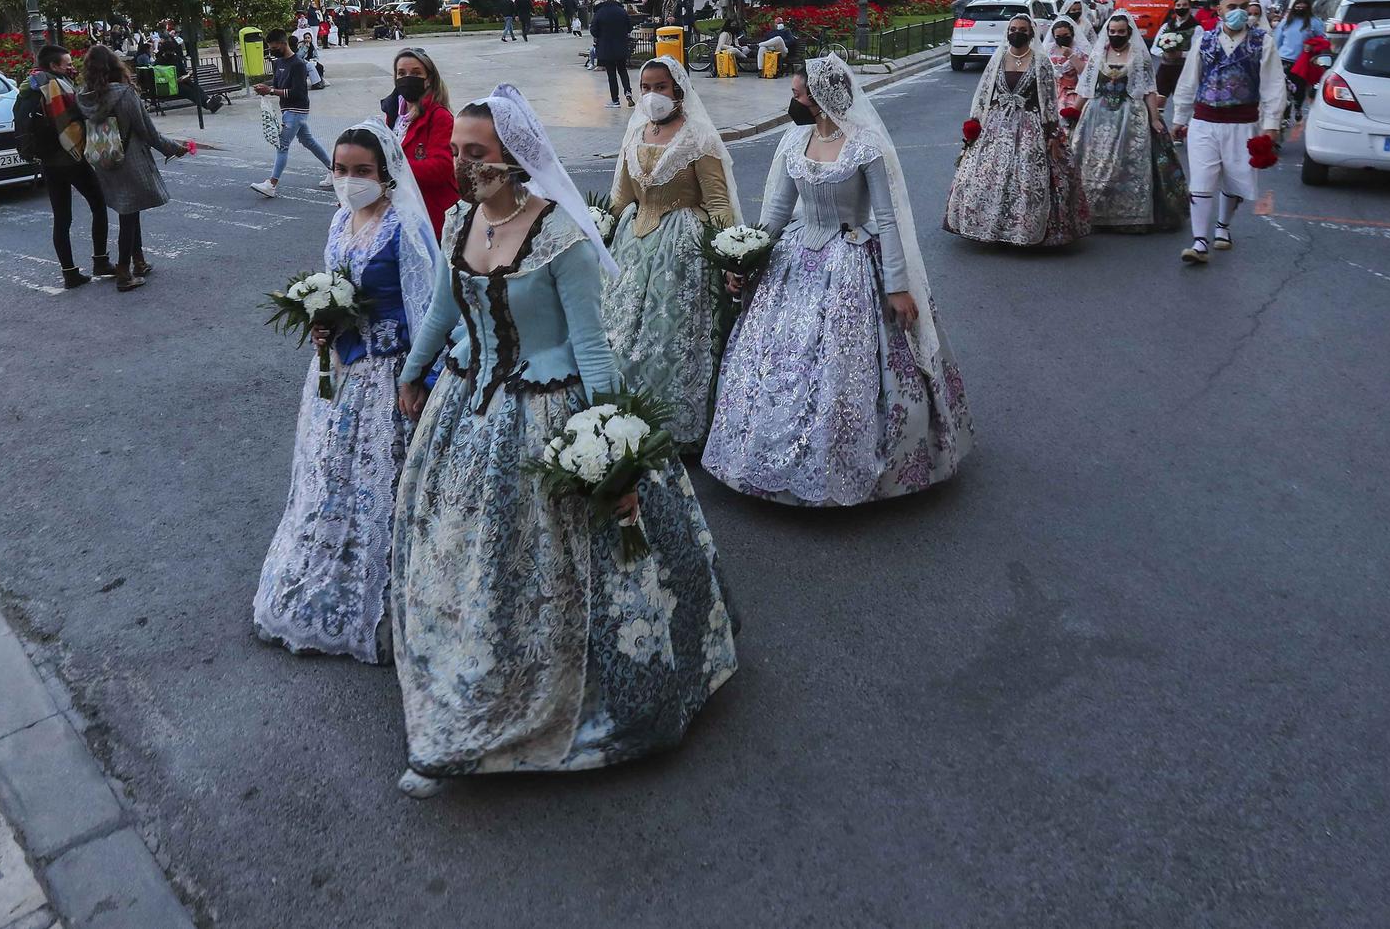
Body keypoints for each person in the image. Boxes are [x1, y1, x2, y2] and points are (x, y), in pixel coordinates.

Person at [390, 84, 737, 796]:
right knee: (469, 559)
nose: (462, 165)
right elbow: (441, 308)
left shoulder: (562, 237)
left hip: (548, 415)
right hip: (468, 403)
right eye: (457, 151)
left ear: (516, 157)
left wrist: (615, 454)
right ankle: (466, 682)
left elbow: (594, 351)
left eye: (476, 153)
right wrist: (415, 368)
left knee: (557, 571)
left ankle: (543, 702)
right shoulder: (458, 220)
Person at [705, 56, 973, 505]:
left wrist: (897, 285)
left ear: (821, 99)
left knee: (843, 365)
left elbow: (887, 220)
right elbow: (774, 214)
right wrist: (746, 259)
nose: (792, 100)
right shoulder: (794, 142)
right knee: (776, 364)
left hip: (849, 259)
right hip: (794, 257)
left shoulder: (864, 146)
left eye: (797, 94)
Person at [252, 123, 441, 663]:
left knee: (385, 479)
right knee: (334, 471)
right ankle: (330, 567)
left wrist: (419, 379)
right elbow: (335, 287)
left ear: (385, 173)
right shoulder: (339, 219)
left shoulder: (404, 227)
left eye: (362, 171)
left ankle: (386, 585)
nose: (350, 180)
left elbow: (426, 308)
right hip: (337, 371)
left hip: (388, 373)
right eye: (341, 170)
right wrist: (322, 322)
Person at [603, 59, 739, 451]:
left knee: (671, 337)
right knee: (621, 331)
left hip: (681, 251)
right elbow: (622, 196)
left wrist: (728, 254)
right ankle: (620, 422)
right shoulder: (635, 131)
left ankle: (673, 426)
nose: (652, 95)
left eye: (660, 87)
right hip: (632, 245)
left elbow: (717, 200)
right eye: (645, 86)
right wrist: (600, 229)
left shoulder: (699, 138)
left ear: (678, 90)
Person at [945, 14, 1090, 247]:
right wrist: (975, 122)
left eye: (1022, 29)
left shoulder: (1040, 62)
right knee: (987, 174)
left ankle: (1024, 226)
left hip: (1029, 125)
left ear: (1031, 33)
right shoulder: (999, 58)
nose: (1016, 33)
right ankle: (988, 223)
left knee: (1028, 176)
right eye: (1013, 29)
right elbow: (984, 94)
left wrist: (1052, 133)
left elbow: (1048, 100)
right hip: (996, 124)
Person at [1170, 0, 1286, 264]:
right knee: (1202, 179)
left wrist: (1271, 125)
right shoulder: (1204, 41)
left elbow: (1273, 85)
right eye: (1232, 7)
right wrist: (1179, 118)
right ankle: (1199, 241)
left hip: (1242, 122)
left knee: (1235, 179)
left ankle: (1223, 226)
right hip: (1204, 121)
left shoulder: (1263, 42)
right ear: (1219, 9)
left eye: (1244, 7)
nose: (1238, 12)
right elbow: (1188, 81)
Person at [75, 44, 195, 291]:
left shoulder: (84, 96)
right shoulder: (124, 94)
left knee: (129, 208)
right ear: (114, 66)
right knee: (128, 216)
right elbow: (149, 133)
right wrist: (175, 148)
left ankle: (138, 261)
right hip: (128, 160)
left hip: (104, 158)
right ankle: (123, 272)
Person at [1071, 13, 1187, 233]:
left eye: (1121, 32)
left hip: (1131, 116)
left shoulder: (1139, 57)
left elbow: (1148, 90)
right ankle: (1093, 213)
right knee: (1095, 164)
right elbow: (1086, 88)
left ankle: (1130, 215)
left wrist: (1154, 118)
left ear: (1129, 33)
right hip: (1098, 116)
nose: (1116, 35)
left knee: (1128, 165)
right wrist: (1072, 112)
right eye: (1112, 32)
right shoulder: (1098, 56)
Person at [14, 43, 112, 288]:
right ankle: (101, 260)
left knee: (62, 217)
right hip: (69, 157)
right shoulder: (56, 86)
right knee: (98, 204)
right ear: (53, 65)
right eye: (67, 63)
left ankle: (69, 273)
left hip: (47, 161)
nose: (71, 67)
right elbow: (73, 120)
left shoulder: (30, 86)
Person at [379, 47, 458, 235]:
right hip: (402, 211)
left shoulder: (439, 116)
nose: (407, 78)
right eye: (401, 73)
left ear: (428, 79)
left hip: (431, 215)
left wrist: (391, 171)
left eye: (415, 73)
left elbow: (442, 167)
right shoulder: (393, 114)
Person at [250, 28, 329, 198]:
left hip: (297, 110)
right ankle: (335, 170)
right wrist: (265, 87)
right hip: (288, 109)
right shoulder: (278, 63)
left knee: (282, 145)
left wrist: (270, 90)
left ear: (283, 44)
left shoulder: (298, 64)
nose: (271, 51)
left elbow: (298, 92)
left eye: (273, 47)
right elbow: (277, 83)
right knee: (308, 141)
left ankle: (272, 184)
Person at [1274, 0, 1323, 121]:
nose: (1300, 8)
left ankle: (1297, 108)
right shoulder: (1286, 21)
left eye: (1303, 6)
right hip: (1284, 59)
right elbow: (1277, 40)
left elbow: (1322, 41)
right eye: (1297, 6)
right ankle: (1285, 113)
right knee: (1284, 89)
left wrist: (1312, 47)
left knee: (1299, 88)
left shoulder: (1315, 22)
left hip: (1302, 61)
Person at [590, 0, 636, 108]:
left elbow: (593, 30)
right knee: (622, 70)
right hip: (621, 46)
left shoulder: (600, 12)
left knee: (611, 74)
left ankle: (615, 100)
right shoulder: (621, 11)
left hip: (607, 48)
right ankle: (628, 92)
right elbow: (630, 27)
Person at [1044, 16, 1088, 118]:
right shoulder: (1049, 49)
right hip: (1052, 92)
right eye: (1058, 36)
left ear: (1072, 34)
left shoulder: (1080, 50)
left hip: (1072, 93)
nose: (1062, 38)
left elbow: (1085, 72)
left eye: (1065, 35)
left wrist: (1071, 56)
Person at [1153, 0, 1197, 98]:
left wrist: (1181, 54)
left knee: (1181, 101)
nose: (1181, 8)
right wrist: (1164, 54)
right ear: (1174, 8)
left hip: (1184, 70)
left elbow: (1198, 52)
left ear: (1190, 8)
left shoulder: (1197, 28)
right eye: (1178, 5)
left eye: (1184, 5)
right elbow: (1154, 48)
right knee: (1158, 100)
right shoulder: (1166, 26)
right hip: (1165, 69)